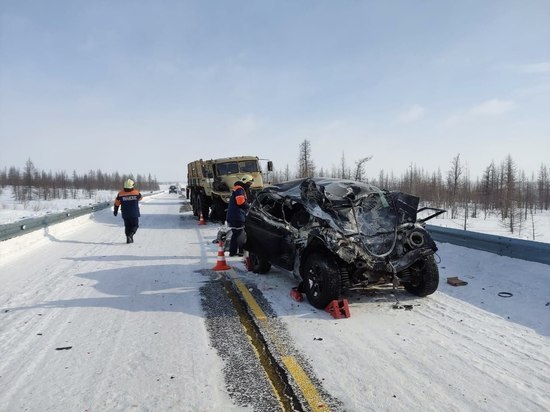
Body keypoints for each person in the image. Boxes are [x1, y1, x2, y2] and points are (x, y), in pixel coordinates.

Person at [225, 175, 254, 256]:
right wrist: (250, 207)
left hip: (233, 216)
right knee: (241, 234)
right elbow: (240, 202)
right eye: (249, 183)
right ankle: (241, 252)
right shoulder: (239, 189)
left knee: (235, 234)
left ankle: (232, 252)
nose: (250, 185)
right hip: (238, 216)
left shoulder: (236, 189)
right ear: (246, 182)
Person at [113, 178, 142, 243]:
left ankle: (128, 239)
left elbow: (117, 203)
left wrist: (115, 211)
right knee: (135, 225)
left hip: (125, 213)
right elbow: (140, 198)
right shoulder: (136, 192)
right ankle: (130, 235)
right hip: (134, 213)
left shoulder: (120, 194)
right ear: (132, 185)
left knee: (127, 226)